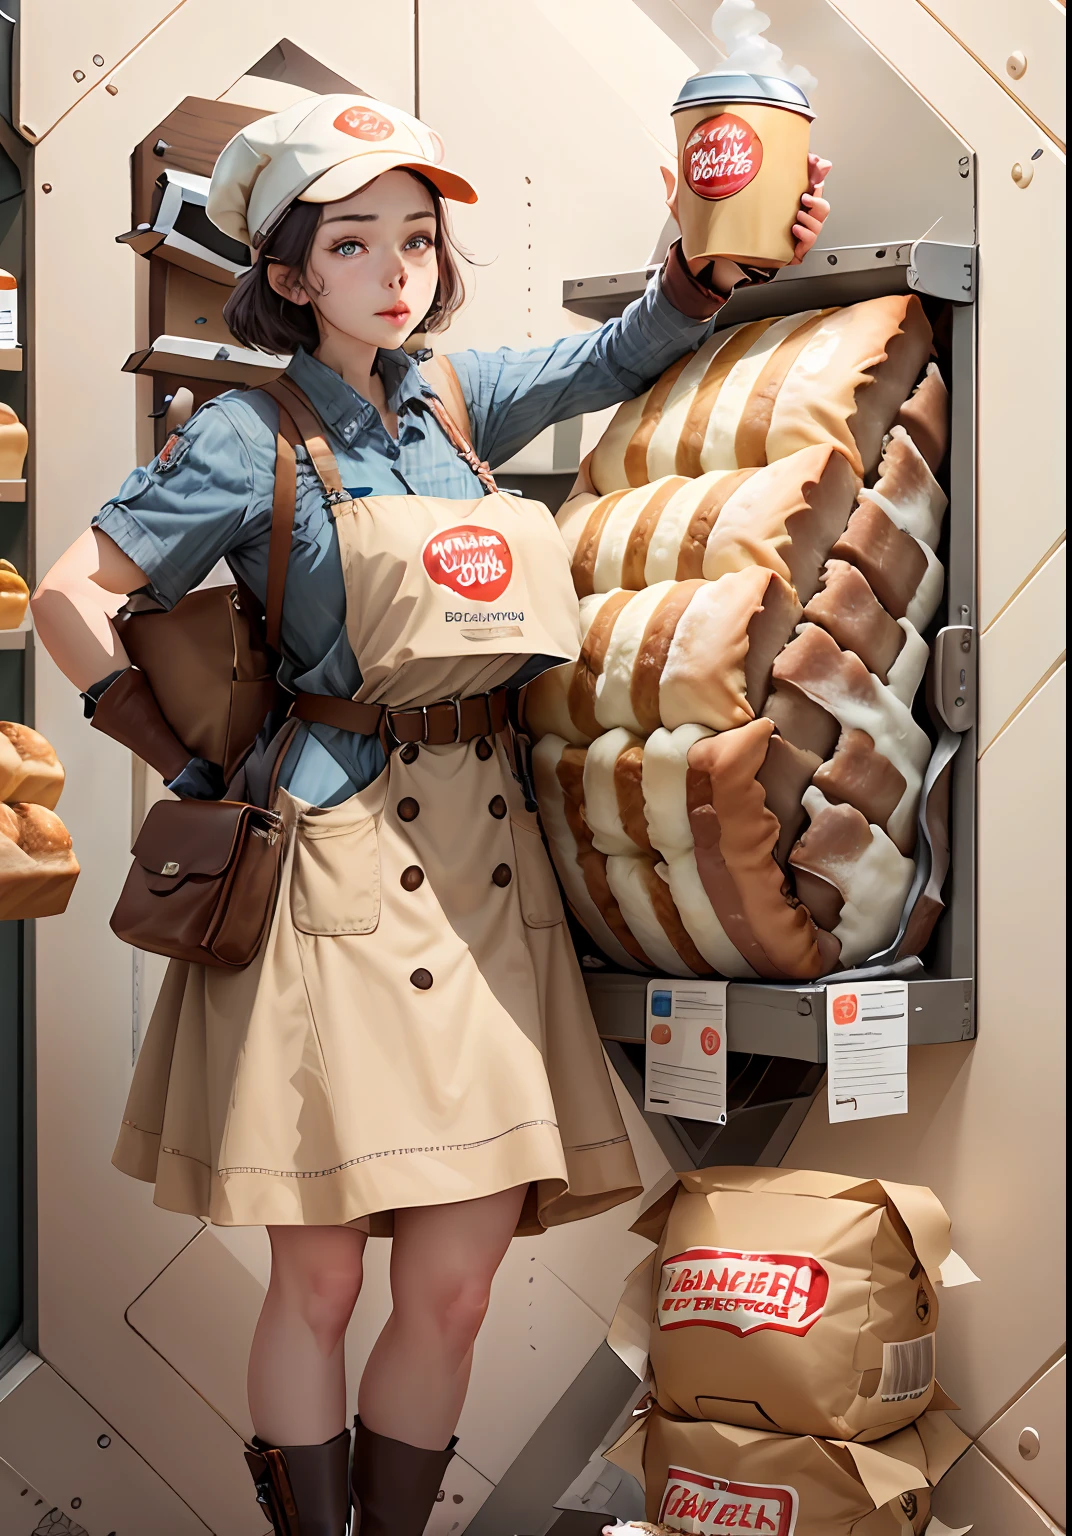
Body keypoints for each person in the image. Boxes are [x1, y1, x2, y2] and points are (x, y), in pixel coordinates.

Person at [31, 95, 830, 1536]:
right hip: (325, 878)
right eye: (353, 243)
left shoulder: (455, 400)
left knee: (456, 1284)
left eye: (415, 237)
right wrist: (182, 758)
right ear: (288, 273)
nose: (397, 269)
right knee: (323, 1277)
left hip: (479, 875)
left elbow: (616, 355)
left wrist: (702, 269)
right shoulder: (240, 433)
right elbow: (74, 598)